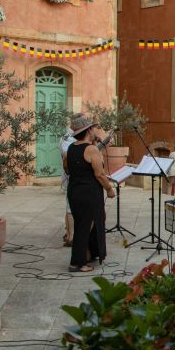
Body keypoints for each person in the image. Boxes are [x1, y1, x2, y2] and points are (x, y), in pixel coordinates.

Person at [65, 114, 116, 273]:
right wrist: (109, 189)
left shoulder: (71, 148)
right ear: (88, 131)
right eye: (93, 128)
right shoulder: (92, 149)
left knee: (82, 223)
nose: (95, 130)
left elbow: (67, 168)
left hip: (74, 190)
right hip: (89, 192)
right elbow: (99, 174)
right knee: (86, 226)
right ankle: (77, 263)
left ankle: (87, 254)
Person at [59, 125, 75, 247]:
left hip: (75, 177)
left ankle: (68, 233)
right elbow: (66, 154)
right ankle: (71, 236)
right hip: (71, 176)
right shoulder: (67, 137)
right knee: (70, 208)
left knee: (70, 207)